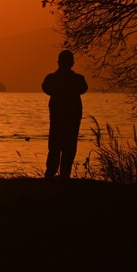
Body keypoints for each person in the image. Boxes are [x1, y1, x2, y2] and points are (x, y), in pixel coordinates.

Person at [42, 49, 88, 179]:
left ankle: (54, 175)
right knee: (64, 148)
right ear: (72, 63)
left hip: (63, 120)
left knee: (58, 148)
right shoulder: (75, 80)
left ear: (58, 62)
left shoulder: (54, 79)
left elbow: (46, 88)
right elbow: (83, 88)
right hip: (67, 120)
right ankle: (59, 175)